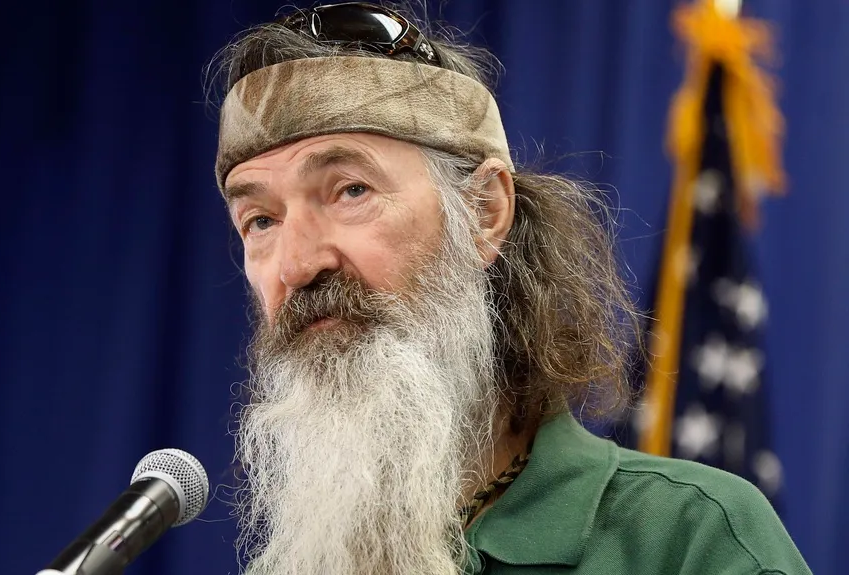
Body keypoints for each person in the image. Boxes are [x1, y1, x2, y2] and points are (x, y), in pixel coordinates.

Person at [209, 2, 811, 574]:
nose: (296, 265)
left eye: (350, 191)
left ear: (484, 212)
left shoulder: (689, 537)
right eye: (260, 221)